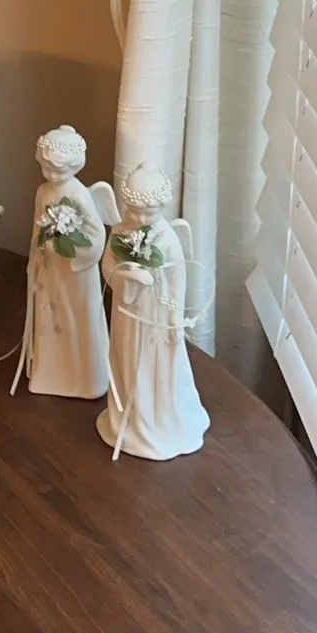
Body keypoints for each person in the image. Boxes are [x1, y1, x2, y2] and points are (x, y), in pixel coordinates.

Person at [98, 167, 209, 462]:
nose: (141, 218)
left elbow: (178, 280)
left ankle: (155, 422)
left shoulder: (167, 238)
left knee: (152, 366)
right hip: (127, 314)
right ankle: (130, 419)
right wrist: (128, 275)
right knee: (127, 359)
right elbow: (108, 266)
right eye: (134, 210)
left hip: (155, 318)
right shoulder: (120, 232)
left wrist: (173, 320)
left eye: (149, 212)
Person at [12, 127, 116, 399]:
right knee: (50, 316)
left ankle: (86, 379)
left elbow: (96, 236)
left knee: (77, 317)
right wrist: (36, 255)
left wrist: (67, 248)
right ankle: (49, 374)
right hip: (50, 269)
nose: (53, 175)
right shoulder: (42, 192)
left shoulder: (78, 194)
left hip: (75, 272)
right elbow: (37, 228)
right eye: (47, 168)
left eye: (59, 170)